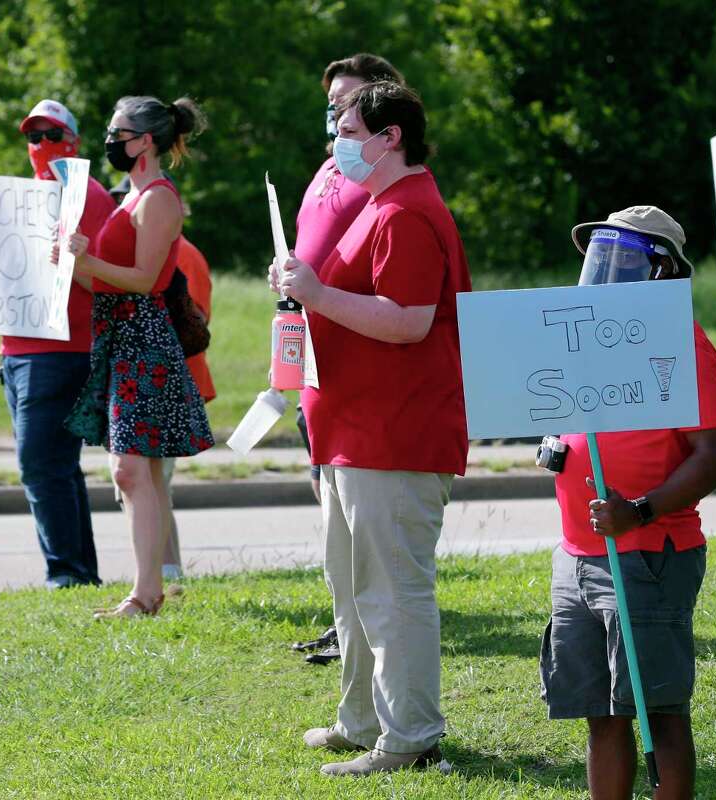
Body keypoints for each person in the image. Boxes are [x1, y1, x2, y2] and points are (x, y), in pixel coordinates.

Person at [277, 81, 470, 777]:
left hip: (395, 435)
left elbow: (410, 318)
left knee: (392, 594)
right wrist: (303, 284)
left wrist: (319, 293)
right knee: (356, 591)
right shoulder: (382, 204)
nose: (339, 138)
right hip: (355, 432)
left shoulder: (409, 211)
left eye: (352, 127)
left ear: (391, 137)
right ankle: (361, 722)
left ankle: (411, 739)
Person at [542, 206, 716, 800]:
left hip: (648, 552)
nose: (602, 271)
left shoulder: (685, 346)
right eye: (597, 256)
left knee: (657, 710)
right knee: (602, 711)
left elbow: (714, 457)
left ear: (660, 272)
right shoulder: (586, 343)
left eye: (619, 259)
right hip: (577, 554)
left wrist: (641, 509)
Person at [58, 96, 214, 618]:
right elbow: (103, 278)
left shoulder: (160, 199)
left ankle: (146, 593)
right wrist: (69, 263)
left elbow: (146, 280)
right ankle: (148, 589)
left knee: (131, 469)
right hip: (120, 335)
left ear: (145, 140)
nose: (111, 140)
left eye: (118, 132)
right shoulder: (133, 197)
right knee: (134, 470)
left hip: (144, 337)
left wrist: (87, 259)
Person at [283, 53, 405, 665]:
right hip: (313, 350)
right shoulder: (329, 168)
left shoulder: (386, 185)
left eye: (349, 106)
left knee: (368, 533)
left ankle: (363, 641)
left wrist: (319, 291)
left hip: (361, 367)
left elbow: (403, 309)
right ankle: (345, 626)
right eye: (332, 105)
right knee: (329, 503)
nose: (336, 117)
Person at [3, 99, 117, 589]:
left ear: (73, 141)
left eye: (52, 135)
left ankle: (66, 574)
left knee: (40, 464)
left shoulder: (86, 195)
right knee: (57, 467)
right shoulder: (24, 195)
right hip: (18, 351)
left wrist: (73, 259)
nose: (41, 145)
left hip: (61, 350)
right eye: (34, 136)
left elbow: (112, 282)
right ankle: (79, 572)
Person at [109, 176, 217, 585]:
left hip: (172, 380)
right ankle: (158, 569)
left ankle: (164, 570)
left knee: (153, 481)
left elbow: (196, 321)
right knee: (138, 480)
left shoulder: (183, 254)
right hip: (139, 380)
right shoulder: (131, 252)